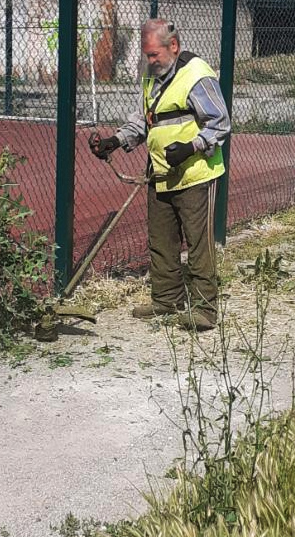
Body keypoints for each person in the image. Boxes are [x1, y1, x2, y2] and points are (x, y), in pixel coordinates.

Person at [90, 18, 231, 332]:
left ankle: (204, 310)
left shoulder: (197, 75)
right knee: (161, 241)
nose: (149, 61)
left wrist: (191, 147)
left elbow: (220, 123)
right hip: (160, 173)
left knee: (198, 243)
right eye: (146, 55)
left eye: (154, 55)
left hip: (195, 173)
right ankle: (167, 300)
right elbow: (145, 120)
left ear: (174, 46)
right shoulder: (151, 77)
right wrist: (115, 141)